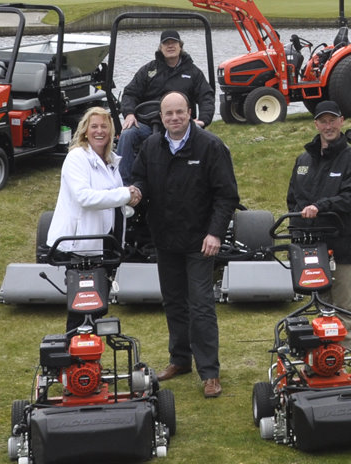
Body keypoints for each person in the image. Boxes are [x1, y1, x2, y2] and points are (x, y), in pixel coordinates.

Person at [131, 89, 239, 398]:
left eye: (180, 112)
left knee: (201, 304)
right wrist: (135, 192)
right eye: (169, 114)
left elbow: (226, 195)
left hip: (200, 242)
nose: (175, 118)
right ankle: (180, 360)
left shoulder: (210, 146)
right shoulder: (151, 146)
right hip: (165, 241)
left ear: (190, 113)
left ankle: (210, 372)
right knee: (173, 301)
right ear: (161, 118)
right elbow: (140, 180)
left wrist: (215, 233)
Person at [286, 101, 351, 311]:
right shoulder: (303, 160)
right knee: (320, 305)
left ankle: (344, 344)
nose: (328, 126)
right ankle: (322, 344)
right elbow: (293, 199)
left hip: (341, 245)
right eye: (323, 121)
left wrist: (320, 207)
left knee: (342, 306)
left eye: (332, 121)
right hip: (310, 245)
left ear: (341, 122)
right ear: (316, 124)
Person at [117, 28, 214, 184]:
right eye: (166, 43)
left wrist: (202, 120)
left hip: (179, 124)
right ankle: (124, 186)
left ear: (180, 46)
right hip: (148, 123)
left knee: (208, 140)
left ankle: (196, 181)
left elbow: (206, 97)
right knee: (127, 134)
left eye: (173, 43)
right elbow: (130, 93)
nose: (170, 46)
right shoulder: (149, 70)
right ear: (160, 47)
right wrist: (129, 114)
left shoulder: (193, 73)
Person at [46, 106, 140, 259]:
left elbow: (113, 195)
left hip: (106, 243)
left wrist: (131, 196)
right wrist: (125, 194)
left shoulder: (111, 160)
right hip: (78, 247)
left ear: (110, 132)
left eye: (104, 126)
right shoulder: (76, 157)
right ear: (85, 131)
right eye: (94, 126)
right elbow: (84, 197)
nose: (99, 131)